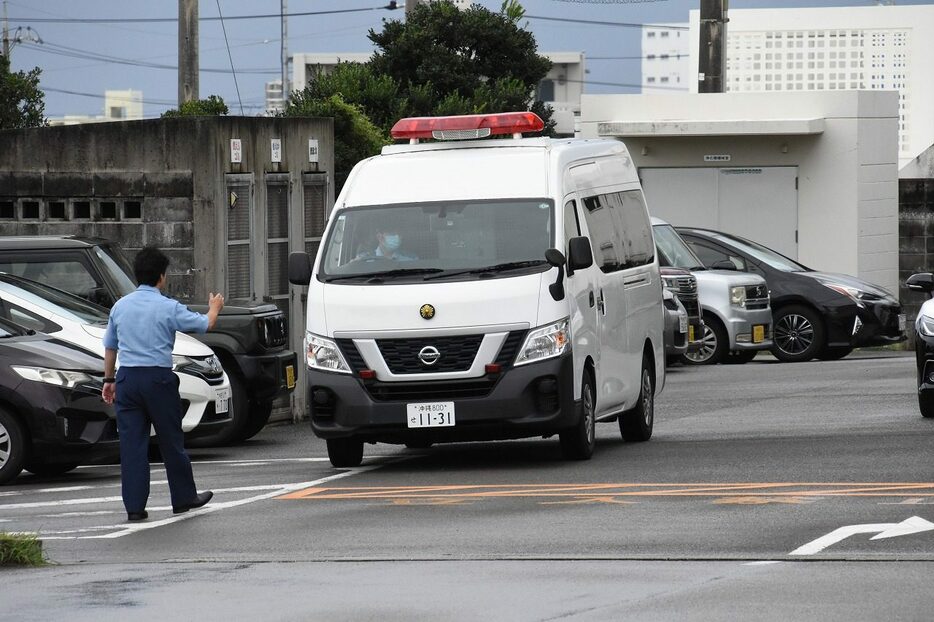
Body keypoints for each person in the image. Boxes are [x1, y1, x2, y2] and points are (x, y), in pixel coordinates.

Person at [102, 246, 224, 522]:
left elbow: (110, 347)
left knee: (132, 445)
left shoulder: (120, 306)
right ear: (161, 276)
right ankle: (183, 498)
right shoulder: (167, 306)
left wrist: (109, 380)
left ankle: (134, 507)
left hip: (127, 379)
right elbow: (206, 325)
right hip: (158, 378)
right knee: (171, 440)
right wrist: (214, 307)